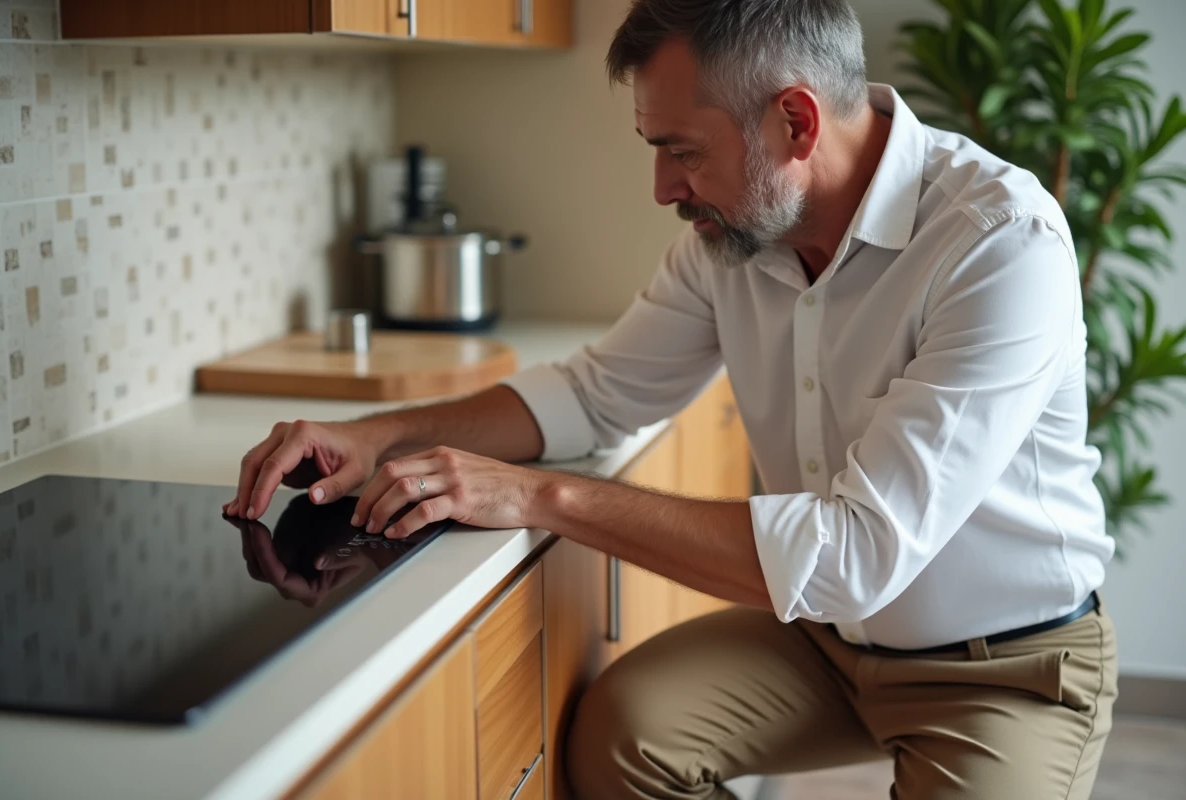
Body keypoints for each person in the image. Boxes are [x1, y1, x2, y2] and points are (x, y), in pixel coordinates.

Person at [226, 0, 1117, 796]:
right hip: (825, 644)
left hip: (1007, 668)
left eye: (681, 153)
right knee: (620, 740)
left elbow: (855, 551)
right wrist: (373, 437)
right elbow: (595, 392)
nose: (663, 191)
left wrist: (541, 496)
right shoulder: (731, 241)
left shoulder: (999, 243)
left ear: (796, 123)